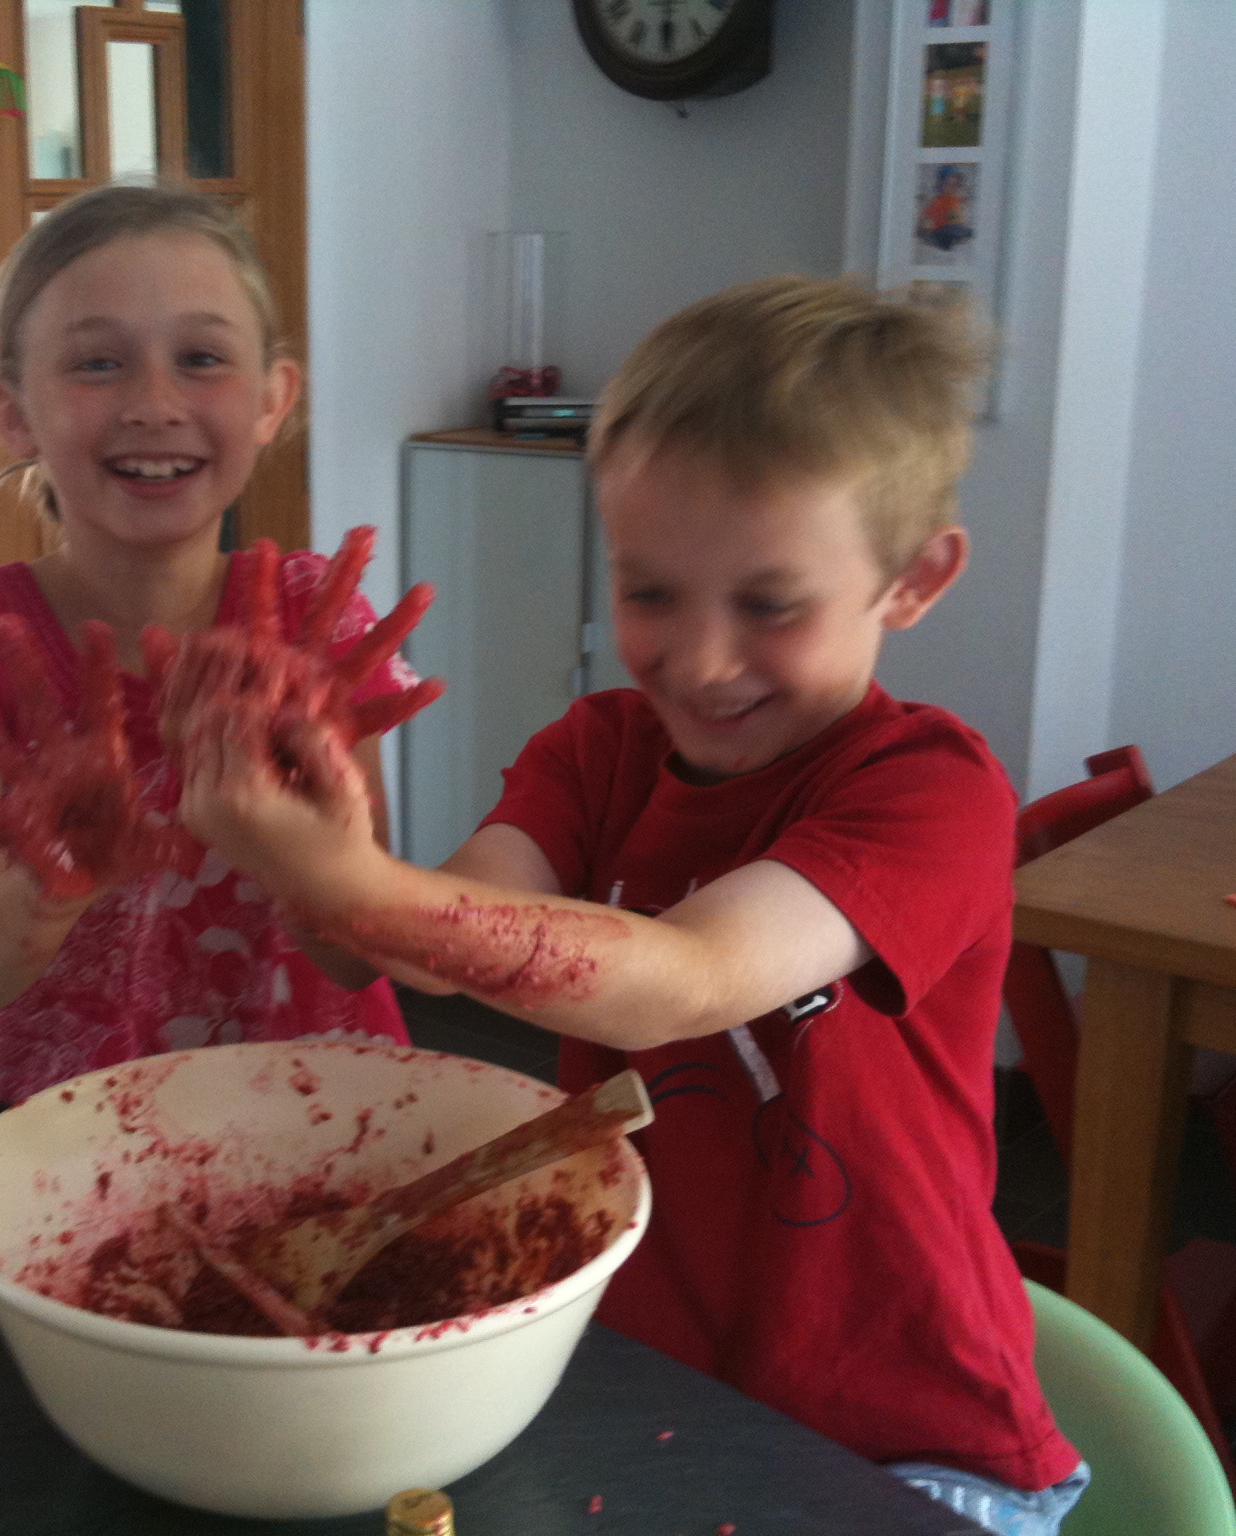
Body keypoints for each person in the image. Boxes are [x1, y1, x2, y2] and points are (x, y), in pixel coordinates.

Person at [164, 277, 1088, 1536]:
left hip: (904, 1431)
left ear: (912, 579)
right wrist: (302, 843)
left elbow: (690, 977)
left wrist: (357, 886)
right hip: (654, 1391)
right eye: (651, 594)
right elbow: (444, 944)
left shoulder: (926, 790)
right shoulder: (596, 752)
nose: (700, 661)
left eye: (769, 604)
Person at [0, 184, 430, 1106]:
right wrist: (41, 891)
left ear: (274, 400)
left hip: (299, 1119)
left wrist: (296, 844)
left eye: (201, 358)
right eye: (98, 364)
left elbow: (356, 962)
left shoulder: (316, 631)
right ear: (12, 414)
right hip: (27, 1134)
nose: (154, 402)